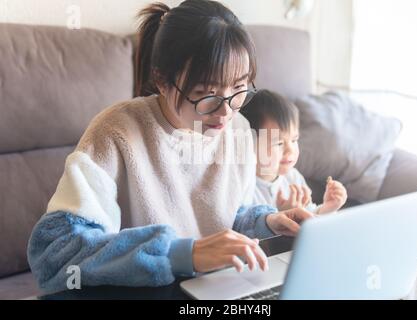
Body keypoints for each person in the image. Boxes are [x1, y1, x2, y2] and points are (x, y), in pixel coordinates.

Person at [27, 0, 313, 293]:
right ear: (161, 80)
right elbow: (55, 251)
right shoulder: (116, 132)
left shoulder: (237, 128)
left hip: (219, 291)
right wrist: (181, 254)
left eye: (239, 88)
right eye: (205, 93)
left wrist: (268, 222)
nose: (226, 111)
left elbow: (229, 214)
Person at [240, 89, 348, 214]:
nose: (290, 150)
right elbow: (245, 228)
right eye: (279, 143)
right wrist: (283, 215)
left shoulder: (292, 177)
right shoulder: (245, 187)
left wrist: (326, 208)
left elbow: (308, 214)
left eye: (294, 140)